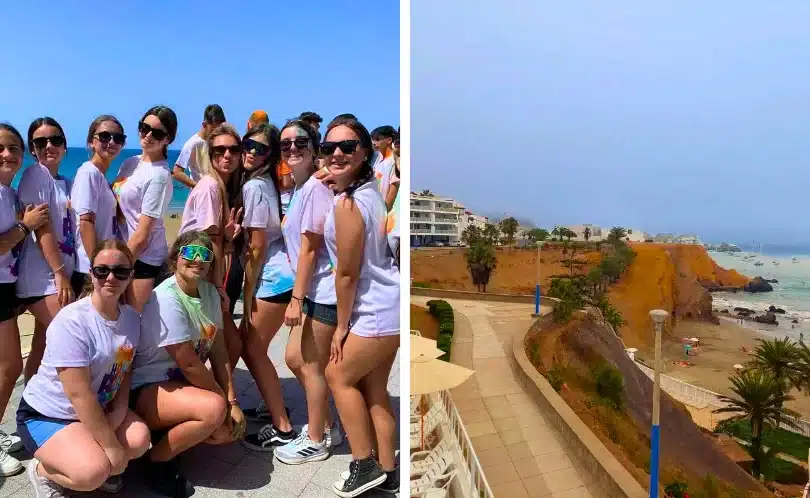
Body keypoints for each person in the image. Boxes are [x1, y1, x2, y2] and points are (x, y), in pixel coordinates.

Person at [17, 240, 149, 496]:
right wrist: (110, 446)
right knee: (93, 471)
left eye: (120, 271)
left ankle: (91, 459)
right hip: (50, 414)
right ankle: (43, 471)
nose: (110, 277)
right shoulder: (72, 322)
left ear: (130, 276)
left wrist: (119, 412)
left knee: (138, 440)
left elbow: (125, 370)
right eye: (102, 270)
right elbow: (79, 394)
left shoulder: (132, 318)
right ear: (91, 273)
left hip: (95, 408)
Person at [130, 231, 245, 497]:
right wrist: (225, 403)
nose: (197, 260)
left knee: (226, 432)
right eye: (189, 253)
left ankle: (167, 436)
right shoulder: (167, 298)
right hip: (148, 387)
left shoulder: (210, 294)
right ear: (175, 259)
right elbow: (190, 364)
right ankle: (156, 463)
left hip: (180, 386)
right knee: (214, 411)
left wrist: (234, 399)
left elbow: (218, 350)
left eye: (204, 255)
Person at [322, 118, 400, 497]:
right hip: (390, 302)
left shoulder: (348, 204)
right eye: (329, 147)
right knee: (375, 390)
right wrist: (333, 179)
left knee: (337, 375)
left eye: (347, 147)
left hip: (373, 309)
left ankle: (363, 463)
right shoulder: (371, 188)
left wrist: (340, 327)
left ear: (365, 151)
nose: (336, 154)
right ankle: (389, 470)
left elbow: (347, 274)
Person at [267, 119, 342, 464]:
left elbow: (310, 248)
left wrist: (295, 299)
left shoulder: (313, 187)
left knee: (309, 364)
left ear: (314, 149)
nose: (292, 148)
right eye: (285, 145)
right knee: (296, 359)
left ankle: (316, 440)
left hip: (321, 290)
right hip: (313, 288)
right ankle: (328, 426)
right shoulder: (301, 187)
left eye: (300, 143)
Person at [237, 123, 298, 451]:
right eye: (248, 145)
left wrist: (248, 294)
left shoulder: (255, 187)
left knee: (252, 348)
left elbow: (257, 246)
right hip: (282, 274)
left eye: (260, 149)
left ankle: (282, 425)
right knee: (255, 348)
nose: (250, 152)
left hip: (272, 280)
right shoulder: (267, 182)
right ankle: (273, 404)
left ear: (270, 155)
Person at [0, 123, 49, 476]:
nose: (7, 154)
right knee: (9, 367)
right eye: (0, 147)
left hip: (7, 285)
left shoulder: (8, 192)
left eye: (13, 148)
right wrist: (26, 225)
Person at [17, 117, 77, 382]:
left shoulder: (62, 180)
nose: (49, 146)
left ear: (65, 145)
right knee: (73, 337)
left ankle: (28, 405)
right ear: (33, 149)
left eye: (55, 140)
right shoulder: (35, 175)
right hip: (42, 278)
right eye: (41, 142)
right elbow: (42, 228)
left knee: (41, 348)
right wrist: (60, 272)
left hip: (57, 275)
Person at [178, 124, 244, 366]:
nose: (227, 155)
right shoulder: (210, 186)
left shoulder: (222, 186)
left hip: (200, 271)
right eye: (219, 150)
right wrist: (218, 287)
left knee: (219, 343)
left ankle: (221, 396)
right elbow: (209, 241)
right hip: (197, 271)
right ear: (210, 153)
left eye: (233, 150)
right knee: (222, 343)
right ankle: (220, 397)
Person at [112, 105, 177, 312]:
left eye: (157, 133)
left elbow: (142, 235)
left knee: (134, 327)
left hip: (143, 262)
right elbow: (119, 208)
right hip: (125, 252)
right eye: (144, 128)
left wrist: (117, 267)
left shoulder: (158, 176)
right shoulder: (131, 163)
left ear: (168, 139)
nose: (148, 135)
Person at [71, 115, 127, 298]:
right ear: (91, 142)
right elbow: (86, 222)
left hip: (102, 266)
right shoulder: (88, 173)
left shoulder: (100, 176)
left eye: (117, 138)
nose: (111, 142)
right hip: (92, 270)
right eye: (104, 136)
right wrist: (97, 267)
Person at [172, 105, 225, 189]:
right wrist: (198, 187)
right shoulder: (193, 143)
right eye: (213, 130)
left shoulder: (217, 140)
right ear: (204, 124)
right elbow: (176, 172)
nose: (216, 134)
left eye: (219, 130)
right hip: (201, 197)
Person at [370, 125, 399, 211]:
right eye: (373, 140)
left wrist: (384, 213)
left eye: (378, 139)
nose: (374, 143)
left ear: (389, 140)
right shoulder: (375, 159)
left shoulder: (394, 161)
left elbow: (393, 191)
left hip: (382, 213)